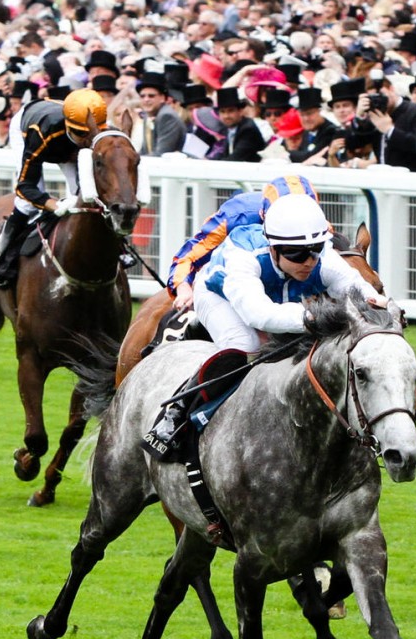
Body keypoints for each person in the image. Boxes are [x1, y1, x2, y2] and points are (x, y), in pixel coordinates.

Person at [141, 193, 385, 454]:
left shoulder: (324, 258)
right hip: (220, 296)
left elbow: (358, 288)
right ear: (272, 248)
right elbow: (259, 314)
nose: (308, 262)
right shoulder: (243, 256)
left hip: (275, 296)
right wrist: (312, 317)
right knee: (245, 344)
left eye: (314, 251)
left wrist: (381, 304)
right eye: (295, 254)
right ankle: (177, 413)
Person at [0, 89, 108, 289]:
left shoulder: (94, 135)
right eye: (82, 135)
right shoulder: (44, 131)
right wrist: (54, 205)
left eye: (94, 135)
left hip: (63, 136)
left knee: (86, 197)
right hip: (28, 128)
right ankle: (1, 259)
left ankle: (117, 251)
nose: (88, 142)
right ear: (70, 128)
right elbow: (25, 186)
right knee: (27, 205)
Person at [168, 175, 319, 310]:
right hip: (229, 277)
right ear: (262, 214)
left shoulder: (315, 225)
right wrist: (183, 288)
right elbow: (188, 256)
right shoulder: (235, 218)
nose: (296, 229)